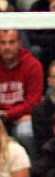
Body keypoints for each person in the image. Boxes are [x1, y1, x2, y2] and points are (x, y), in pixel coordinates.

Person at [0, 29, 43, 161]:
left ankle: (32, 172)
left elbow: (34, 101)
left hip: (22, 117)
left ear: (20, 43)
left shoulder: (33, 65)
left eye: (11, 42)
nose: (7, 47)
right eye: (2, 43)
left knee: (26, 132)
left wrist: (9, 114)